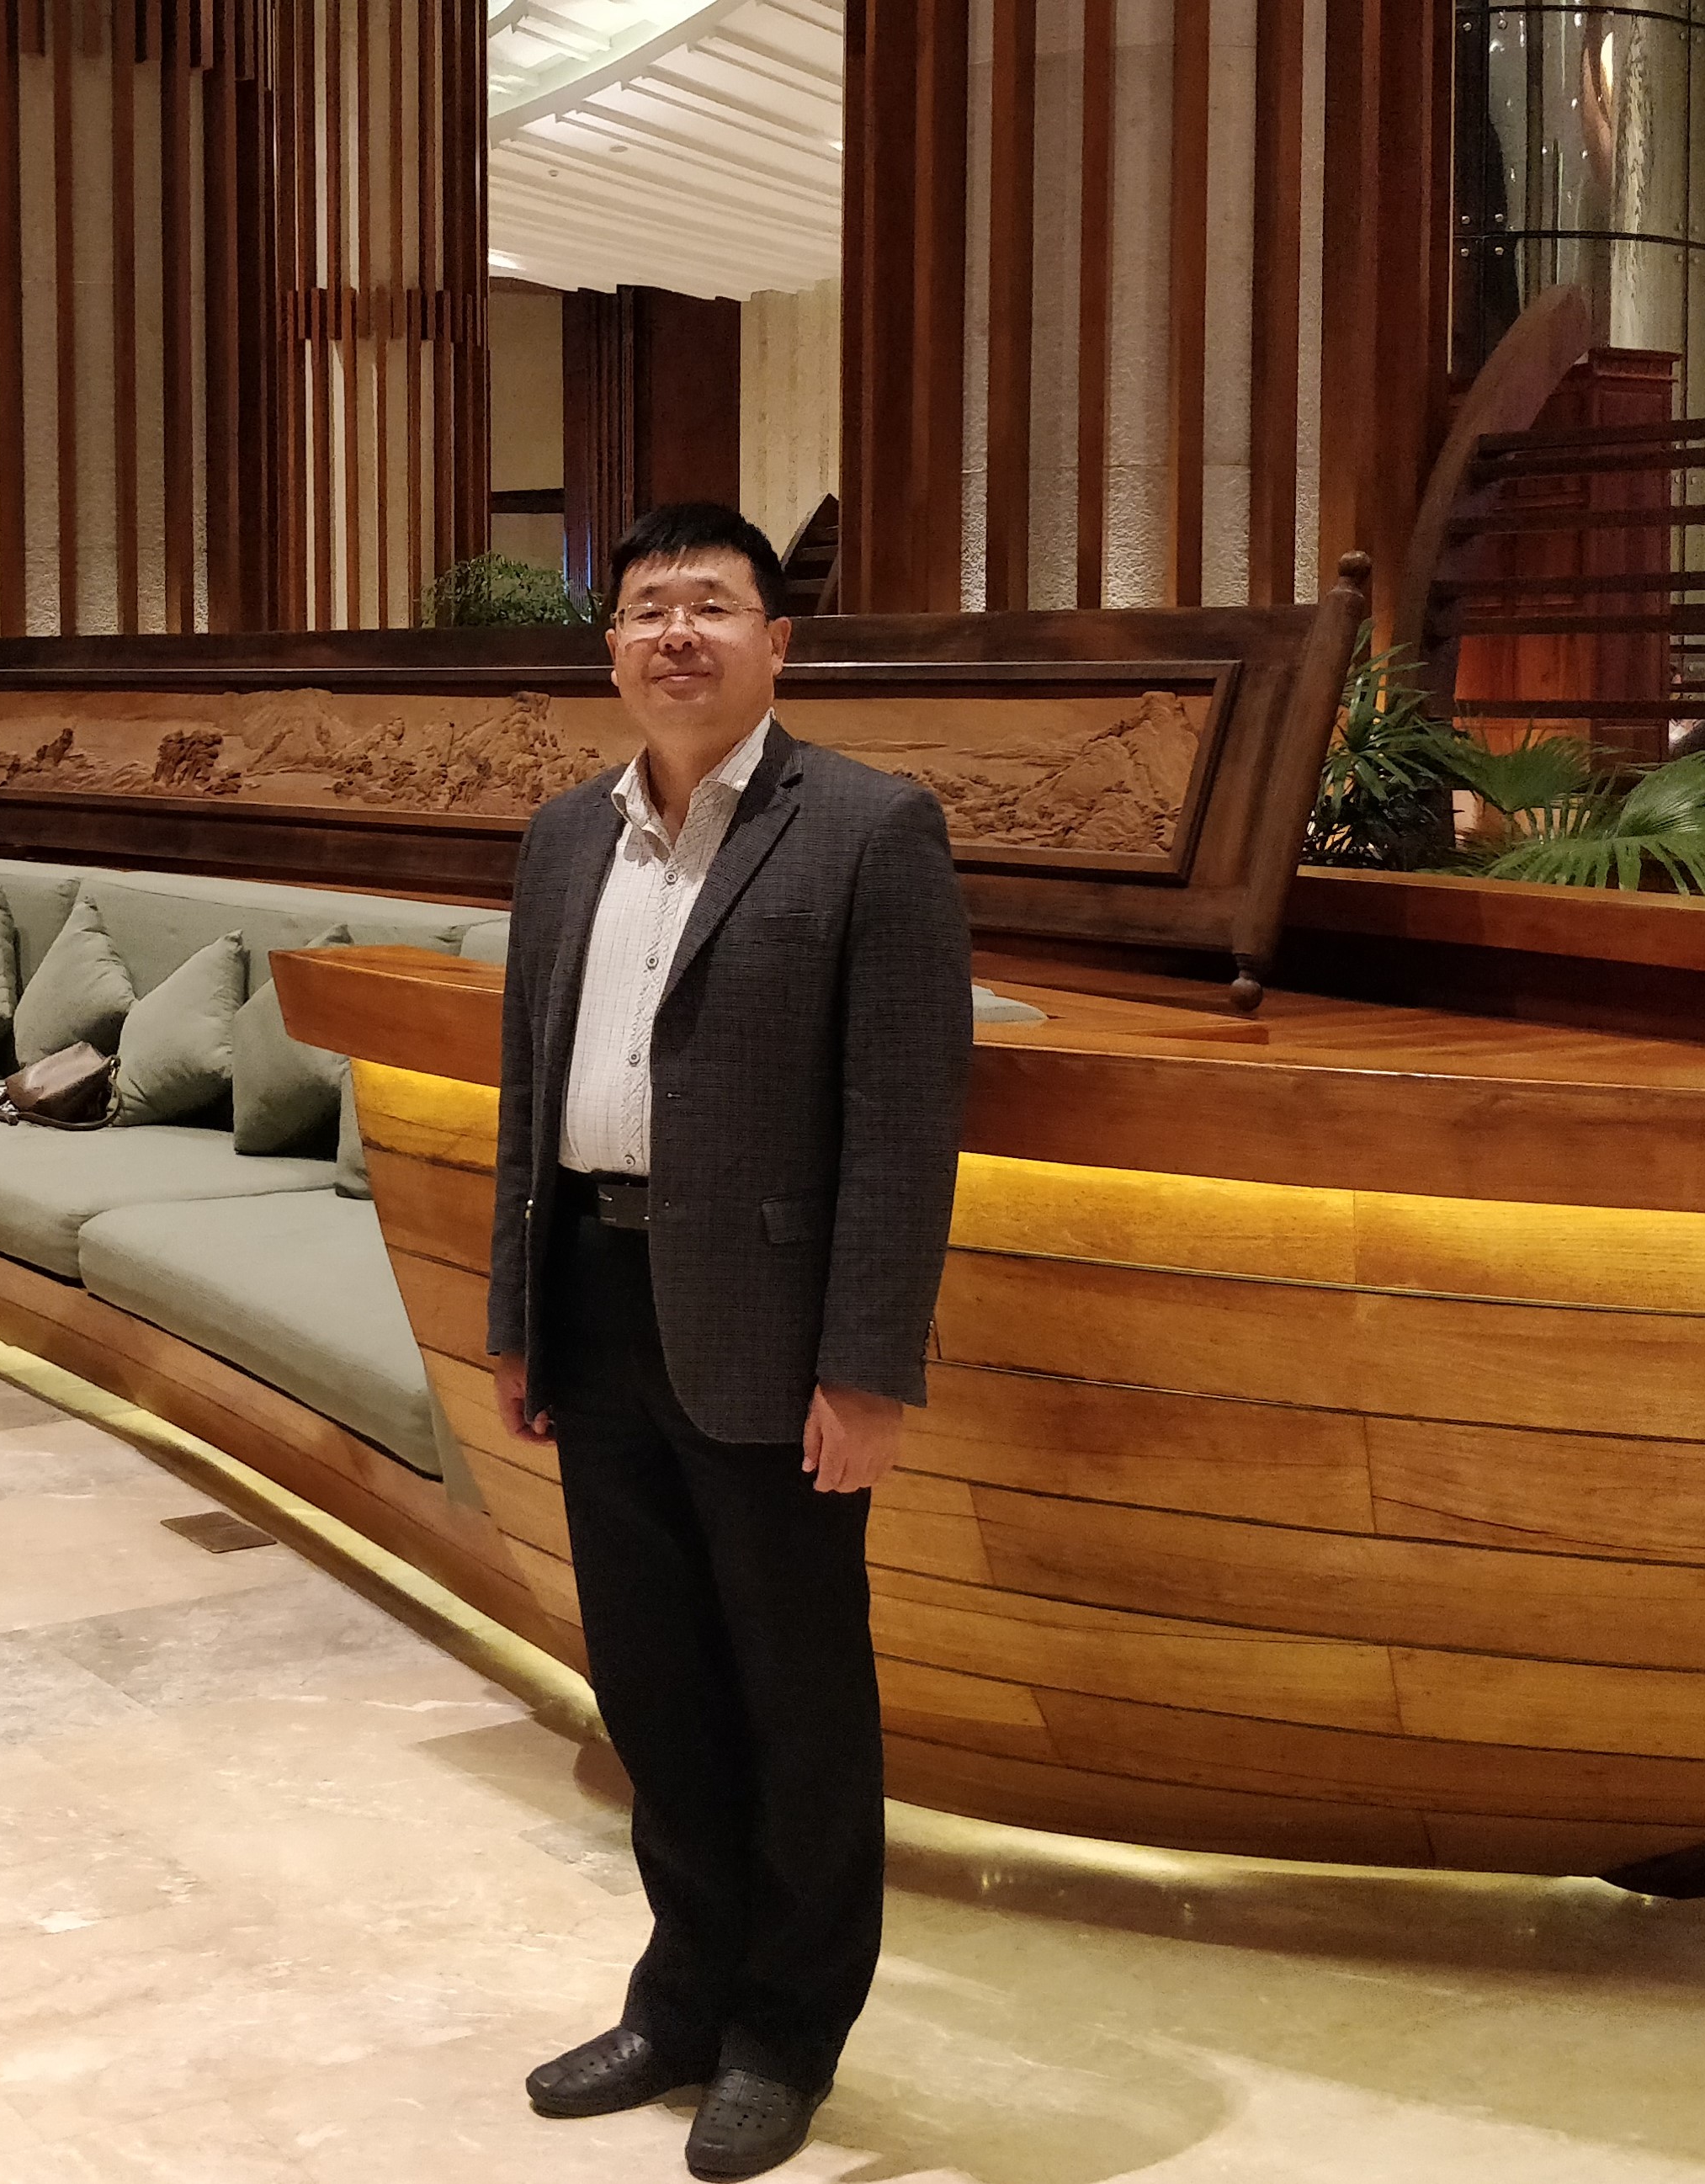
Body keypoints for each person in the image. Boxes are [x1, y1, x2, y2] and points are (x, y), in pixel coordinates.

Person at [487, 502, 973, 2180]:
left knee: (795, 1691)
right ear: (611, 646)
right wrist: (517, 1316)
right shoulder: (566, 836)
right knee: (652, 1685)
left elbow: (903, 1118)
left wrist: (867, 1365)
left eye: (709, 604)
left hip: (769, 1328)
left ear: (777, 641)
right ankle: (680, 1995)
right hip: (595, 1299)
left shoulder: (870, 830)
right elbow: (527, 1095)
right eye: (646, 607)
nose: (674, 633)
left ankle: (785, 2028)